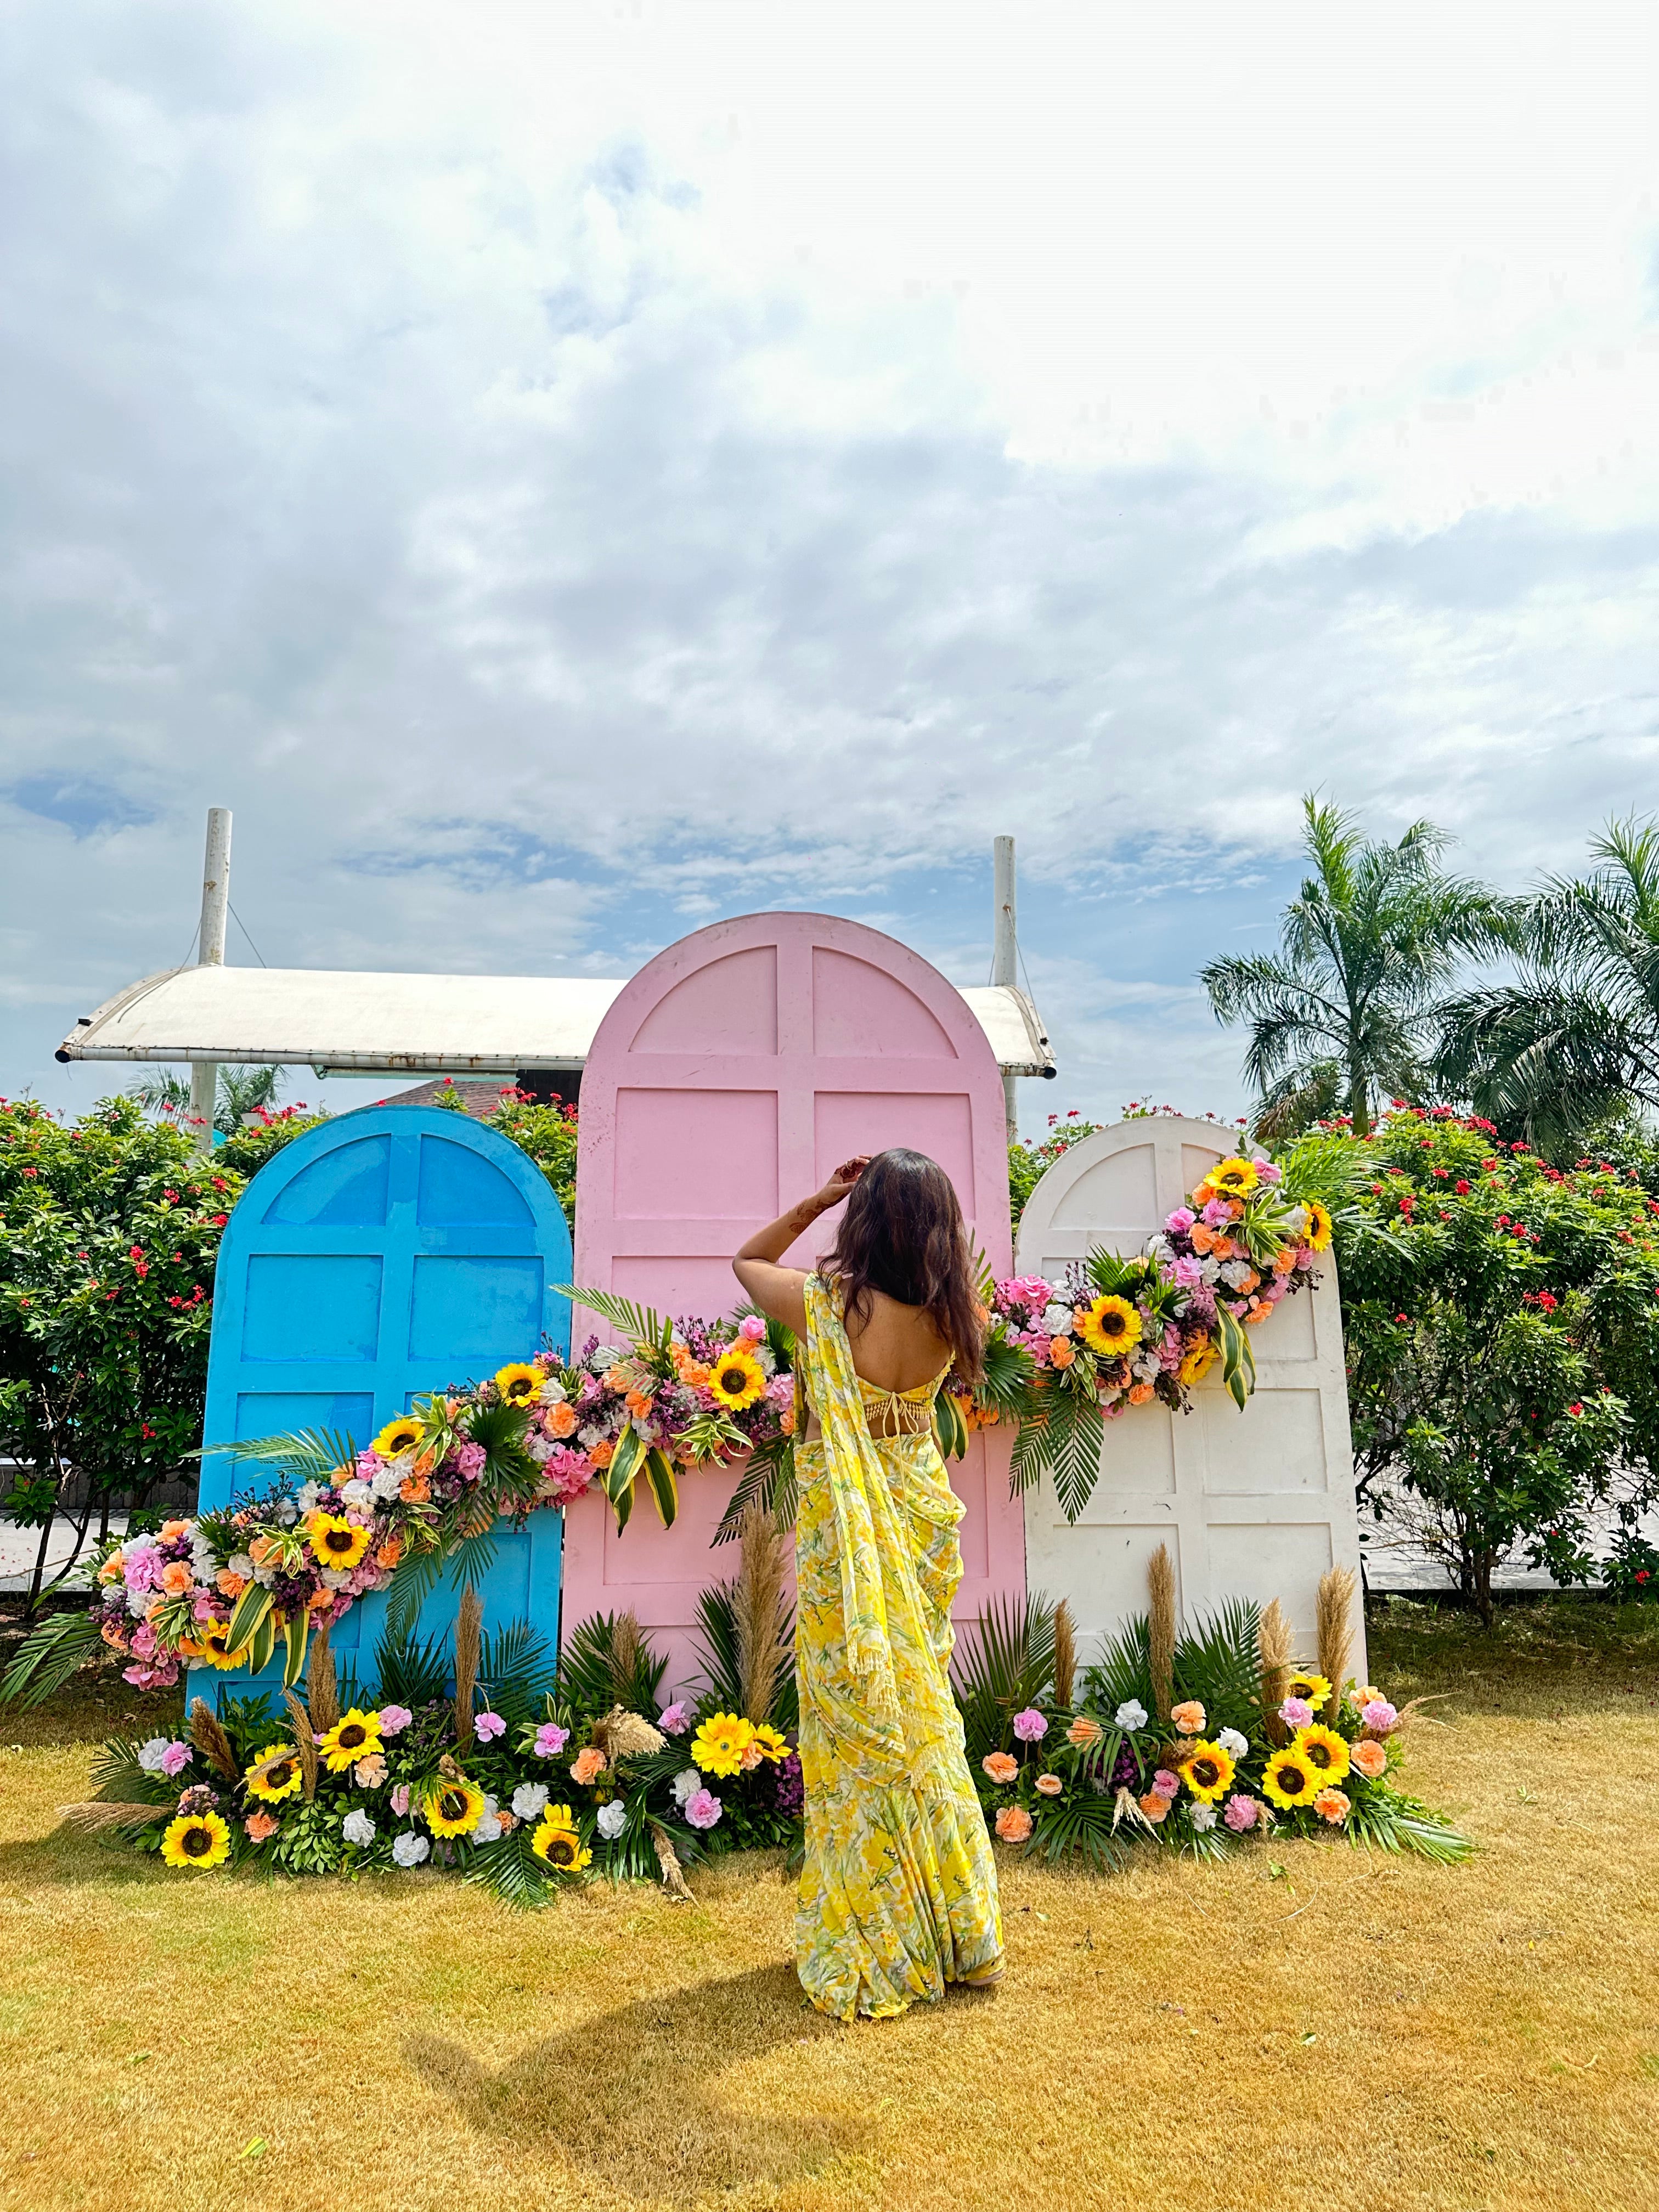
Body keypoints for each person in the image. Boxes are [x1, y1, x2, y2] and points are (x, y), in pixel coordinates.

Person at [733, 1147, 1004, 2021]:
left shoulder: (827, 1308)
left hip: (847, 1538)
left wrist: (816, 1200)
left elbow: (745, 1262)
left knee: (859, 1731)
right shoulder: (960, 1315)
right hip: (917, 1519)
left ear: (863, 1221)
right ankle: (958, 1927)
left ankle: (879, 1927)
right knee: (922, 1714)